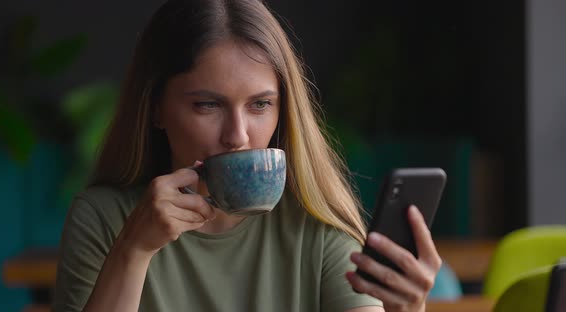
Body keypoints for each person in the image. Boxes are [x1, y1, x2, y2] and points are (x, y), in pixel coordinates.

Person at [53, 0, 442, 311]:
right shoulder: (105, 219)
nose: (237, 136)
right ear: (155, 109)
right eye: (207, 105)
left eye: (259, 105)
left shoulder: (318, 226)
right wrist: (133, 252)